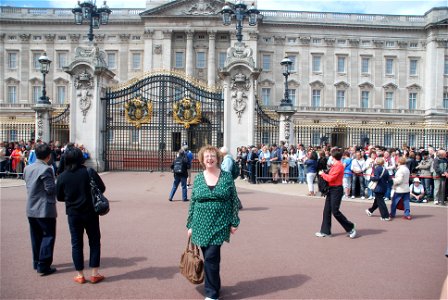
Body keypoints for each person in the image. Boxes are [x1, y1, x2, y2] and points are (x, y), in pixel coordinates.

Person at [186, 145, 240, 300]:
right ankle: (215, 285)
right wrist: (190, 225)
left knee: (211, 256)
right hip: (200, 223)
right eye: (206, 156)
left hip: (220, 222)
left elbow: (233, 200)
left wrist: (234, 222)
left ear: (218, 159)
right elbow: (193, 202)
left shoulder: (226, 177)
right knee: (210, 258)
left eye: (212, 156)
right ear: (202, 160)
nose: (209, 159)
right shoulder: (198, 178)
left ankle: (212, 293)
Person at [56, 147, 106, 284]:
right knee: (94, 241)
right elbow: (102, 188)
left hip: (73, 214)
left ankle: (80, 275)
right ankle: (95, 273)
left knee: (76, 243)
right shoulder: (88, 172)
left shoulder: (62, 176)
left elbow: (59, 197)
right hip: (90, 212)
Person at [23, 142, 58, 276]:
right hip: (44, 208)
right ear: (48, 156)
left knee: (35, 236)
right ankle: (43, 265)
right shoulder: (46, 169)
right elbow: (50, 189)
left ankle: (36, 261)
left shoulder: (28, 168)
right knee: (48, 235)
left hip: (31, 207)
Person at [316, 148, 357, 238]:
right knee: (327, 210)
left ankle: (350, 227)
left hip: (336, 189)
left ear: (333, 156)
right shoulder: (335, 165)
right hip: (331, 189)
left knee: (335, 211)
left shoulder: (338, 165)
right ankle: (325, 231)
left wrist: (322, 174)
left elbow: (331, 178)